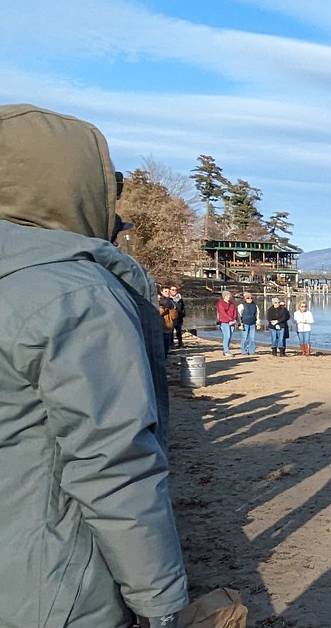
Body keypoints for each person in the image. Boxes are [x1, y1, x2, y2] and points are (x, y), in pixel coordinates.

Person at [0, 104, 188, 626]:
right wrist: (162, 602)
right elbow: (114, 463)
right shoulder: (72, 295)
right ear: (71, 184)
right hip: (58, 588)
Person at [216, 290, 238, 356]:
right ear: (224, 296)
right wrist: (230, 319)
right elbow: (222, 313)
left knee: (230, 336)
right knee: (227, 336)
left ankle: (226, 349)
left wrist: (234, 319)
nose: (228, 297)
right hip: (224, 322)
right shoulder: (220, 303)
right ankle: (226, 351)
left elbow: (235, 311)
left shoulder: (232, 303)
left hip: (232, 322)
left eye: (229, 295)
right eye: (227, 295)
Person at [158, 285, 177, 359]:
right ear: (162, 292)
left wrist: (173, 308)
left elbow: (174, 317)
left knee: (166, 348)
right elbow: (158, 313)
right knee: (161, 348)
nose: (167, 293)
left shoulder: (171, 302)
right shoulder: (159, 301)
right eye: (165, 291)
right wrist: (164, 307)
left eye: (169, 292)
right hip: (161, 327)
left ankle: (164, 361)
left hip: (169, 328)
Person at [169, 284, 186, 348]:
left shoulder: (180, 299)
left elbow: (183, 307)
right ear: (170, 290)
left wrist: (183, 314)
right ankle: (171, 344)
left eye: (175, 290)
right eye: (172, 290)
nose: (174, 291)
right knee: (171, 331)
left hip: (179, 317)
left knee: (179, 331)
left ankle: (180, 343)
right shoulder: (169, 299)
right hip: (171, 317)